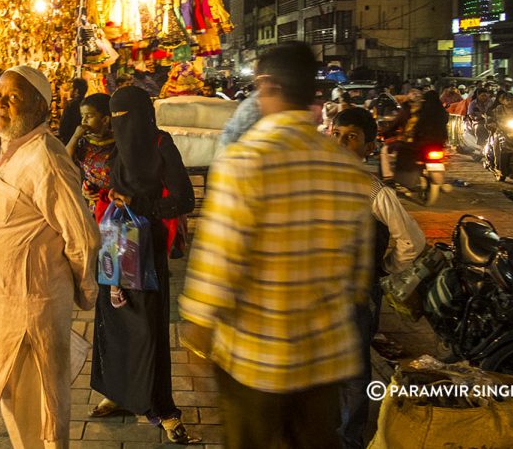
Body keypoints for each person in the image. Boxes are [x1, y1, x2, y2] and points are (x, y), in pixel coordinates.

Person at [179, 42, 374, 449]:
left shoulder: (246, 161)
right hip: (324, 359)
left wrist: (197, 326)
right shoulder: (345, 166)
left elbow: (219, 260)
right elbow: (359, 273)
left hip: (256, 360)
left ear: (266, 85)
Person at [0, 66, 99, 449]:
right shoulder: (15, 150)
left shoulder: (46, 158)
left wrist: (84, 291)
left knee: (39, 416)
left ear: (40, 108)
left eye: (13, 97)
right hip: (0, 310)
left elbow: (83, 237)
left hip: (28, 312)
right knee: (16, 404)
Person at [90, 86, 197, 444]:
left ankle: (164, 409)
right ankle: (120, 393)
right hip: (115, 246)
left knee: (148, 330)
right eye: (115, 116)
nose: (121, 123)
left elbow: (185, 198)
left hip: (147, 252)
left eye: (126, 116)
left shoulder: (161, 144)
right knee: (113, 320)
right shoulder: (117, 146)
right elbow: (115, 187)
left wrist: (143, 204)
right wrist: (106, 196)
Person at [331, 108, 426, 448]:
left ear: (369, 147)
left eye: (351, 137)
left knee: (354, 372)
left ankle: (348, 439)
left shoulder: (374, 191)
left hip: (356, 292)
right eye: (337, 134)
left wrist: (385, 269)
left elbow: (411, 241)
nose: (341, 143)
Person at [66, 92, 115, 217]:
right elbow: (65, 160)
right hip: (93, 201)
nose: (84, 120)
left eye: (89, 116)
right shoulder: (83, 142)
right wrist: (75, 136)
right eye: (83, 116)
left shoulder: (117, 142)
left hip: (115, 201)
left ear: (105, 119)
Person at [57, 78, 89, 145]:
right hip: (83, 140)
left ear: (76, 91)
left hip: (70, 140)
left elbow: (63, 125)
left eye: (71, 88)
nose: (69, 91)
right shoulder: (87, 103)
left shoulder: (71, 105)